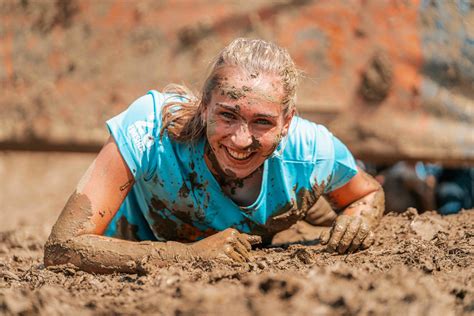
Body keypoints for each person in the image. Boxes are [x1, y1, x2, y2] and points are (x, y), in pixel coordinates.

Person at [44, 38, 384, 274]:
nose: (240, 139)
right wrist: (187, 256)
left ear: (287, 122)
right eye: (228, 115)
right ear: (205, 106)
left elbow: (367, 194)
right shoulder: (149, 128)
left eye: (262, 122)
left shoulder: (311, 152)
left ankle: (313, 210)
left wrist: (358, 219)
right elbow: (62, 246)